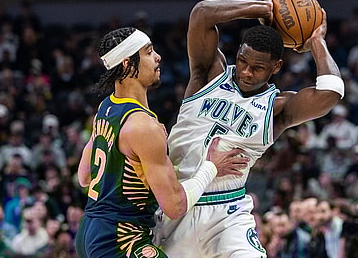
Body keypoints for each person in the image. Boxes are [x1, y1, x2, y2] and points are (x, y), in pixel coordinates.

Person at [154, 0, 345, 257]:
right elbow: (201, 13)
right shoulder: (209, 73)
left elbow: (331, 92)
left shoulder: (277, 107)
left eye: (257, 67)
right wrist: (266, 8)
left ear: (276, 67)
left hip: (227, 214)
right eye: (243, 60)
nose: (246, 71)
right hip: (176, 204)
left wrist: (316, 41)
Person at [74, 27, 248, 258]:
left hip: (88, 231)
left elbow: (84, 176)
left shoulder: (106, 107)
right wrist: (212, 167)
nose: (158, 57)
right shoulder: (143, 126)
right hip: (120, 241)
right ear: (127, 64)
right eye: (148, 52)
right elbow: (174, 206)